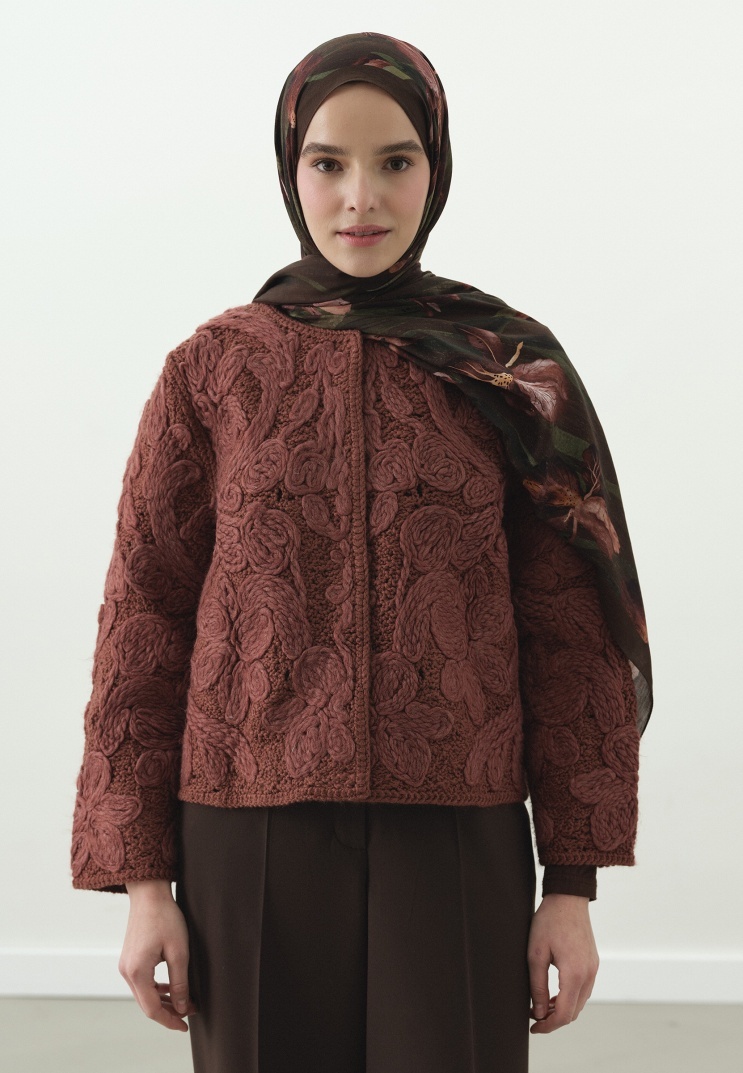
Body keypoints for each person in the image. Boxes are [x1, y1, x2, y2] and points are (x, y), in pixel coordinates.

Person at [70, 31, 653, 1073]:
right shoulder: (213, 371)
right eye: (328, 162)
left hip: (458, 831)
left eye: (394, 161)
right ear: (289, 168)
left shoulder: (510, 371)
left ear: (436, 165)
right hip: (245, 830)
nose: (359, 198)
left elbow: (573, 633)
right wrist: (144, 884)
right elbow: (143, 623)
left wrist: (569, 884)